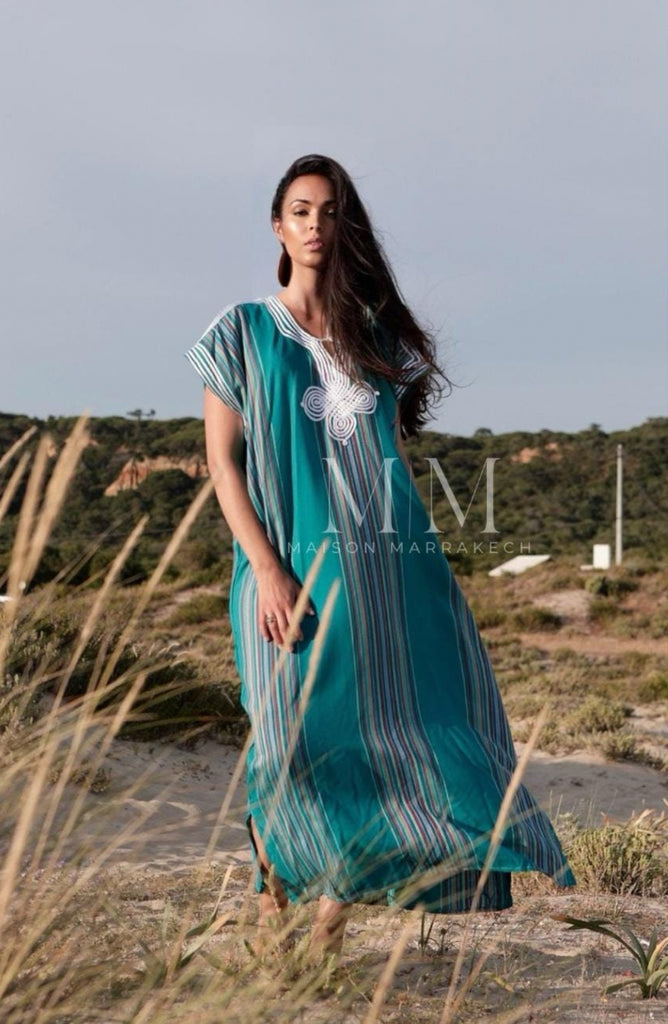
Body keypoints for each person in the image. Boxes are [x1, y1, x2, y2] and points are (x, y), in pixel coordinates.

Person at [184, 154, 575, 959]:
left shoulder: (376, 339)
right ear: (277, 226)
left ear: (346, 225)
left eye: (330, 212)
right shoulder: (241, 333)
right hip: (283, 570)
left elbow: (387, 459)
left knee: (399, 737)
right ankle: (273, 920)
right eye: (301, 211)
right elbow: (223, 464)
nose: (315, 226)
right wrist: (267, 568)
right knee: (286, 744)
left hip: (385, 573)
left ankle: (326, 930)